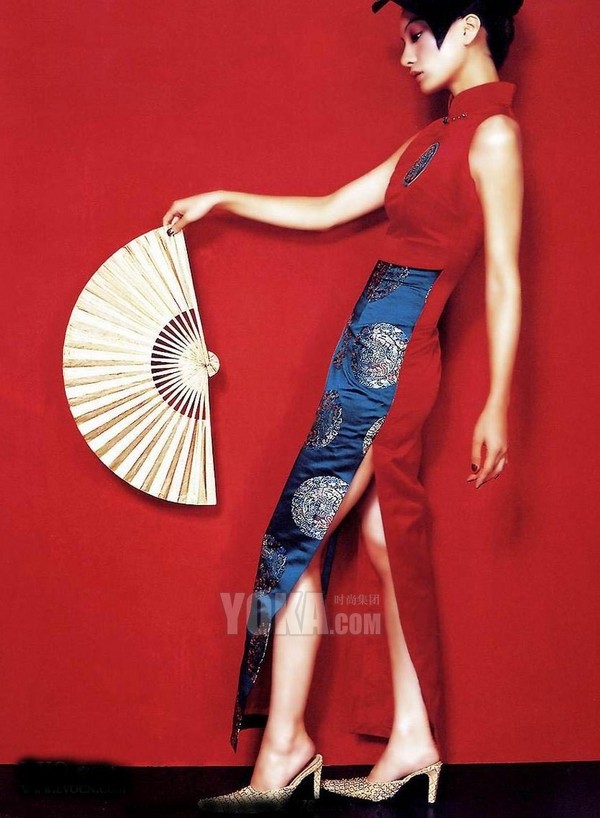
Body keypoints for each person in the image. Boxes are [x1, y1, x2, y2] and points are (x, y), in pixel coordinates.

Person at [162, 0, 524, 810]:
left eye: (417, 36)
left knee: (293, 539)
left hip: (388, 372)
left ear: (469, 27)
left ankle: (284, 751)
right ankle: (414, 739)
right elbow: (329, 207)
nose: (406, 56)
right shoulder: (427, 142)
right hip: (358, 364)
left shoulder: (494, 137)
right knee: (383, 541)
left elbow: (503, 275)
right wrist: (224, 198)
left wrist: (498, 401)